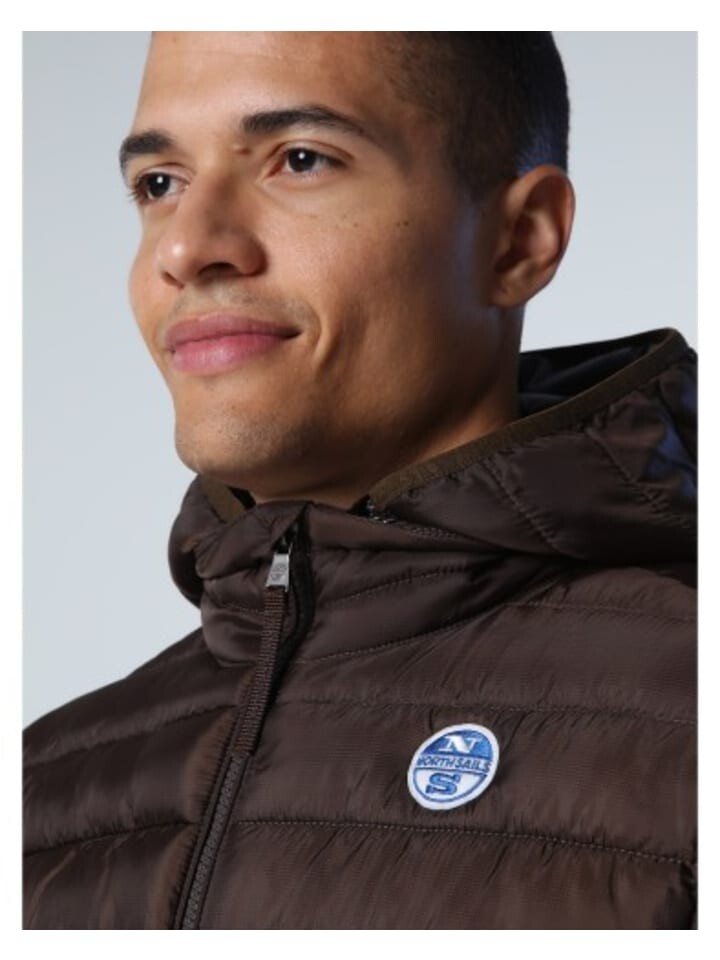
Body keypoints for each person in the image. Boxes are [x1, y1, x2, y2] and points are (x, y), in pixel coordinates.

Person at [23, 31, 696, 929]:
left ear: (518, 240)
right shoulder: (41, 791)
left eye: (300, 160)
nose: (185, 247)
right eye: (160, 183)